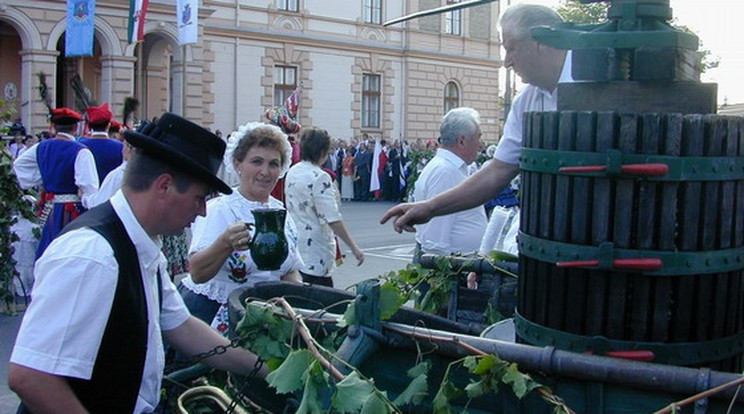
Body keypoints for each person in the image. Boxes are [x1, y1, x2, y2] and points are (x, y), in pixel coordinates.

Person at [8, 112, 265, 414]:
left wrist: (266, 370)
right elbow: (31, 376)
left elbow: (181, 326)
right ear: (164, 186)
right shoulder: (92, 255)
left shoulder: (141, 242)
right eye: (199, 198)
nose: (203, 212)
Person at [381, 3, 568, 233]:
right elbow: (498, 172)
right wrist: (430, 207)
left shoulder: (605, 79)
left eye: (511, 49)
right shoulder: (526, 101)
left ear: (542, 42)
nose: (507, 62)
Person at [179, 121, 303, 334]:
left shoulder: (281, 213)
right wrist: (225, 244)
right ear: (238, 164)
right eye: (257, 162)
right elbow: (198, 273)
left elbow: (289, 271)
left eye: (273, 164)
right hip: (213, 315)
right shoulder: (219, 209)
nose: (265, 172)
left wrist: (301, 298)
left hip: (264, 316)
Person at [13, 107, 99, 259]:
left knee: (47, 249)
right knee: (71, 253)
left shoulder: (41, 147)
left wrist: (44, 177)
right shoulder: (81, 151)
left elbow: (19, 166)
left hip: (49, 209)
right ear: (75, 127)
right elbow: (89, 189)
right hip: (73, 211)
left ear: (54, 127)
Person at [285, 127, 365, 287]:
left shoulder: (293, 171)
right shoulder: (320, 177)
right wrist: (354, 247)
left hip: (295, 243)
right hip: (315, 249)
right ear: (322, 151)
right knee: (320, 298)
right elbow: (332, 218)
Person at [411, 107, 487, 260]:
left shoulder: (451, 168)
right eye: (478, 137)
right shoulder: (446, 172)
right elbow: (435, 241)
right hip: (452, 267)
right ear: (462, 141)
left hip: (459, 262)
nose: (481, 144)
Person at [79, 102, 125, 184]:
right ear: (108, 126)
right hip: (112, 193)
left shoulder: (80, 145)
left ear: (90, 126)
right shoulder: (120, 147)